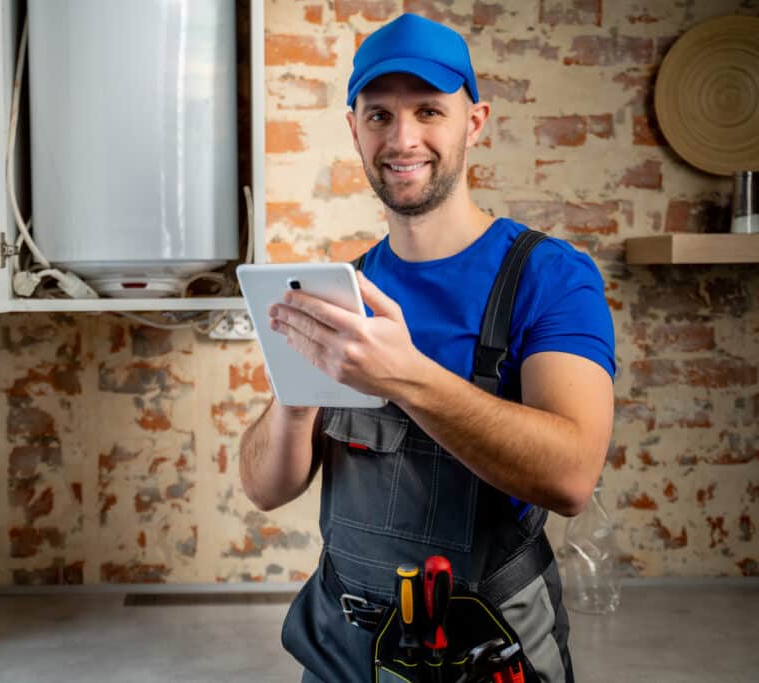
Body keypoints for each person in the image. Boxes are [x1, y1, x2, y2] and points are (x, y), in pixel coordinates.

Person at [239, 13, 615, 683]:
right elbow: (265, 486)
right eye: (379, 115)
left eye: (429, 110)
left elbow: (571, 475)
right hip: (342, 654)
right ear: (353, 128)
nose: (403, 138)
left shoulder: (549, 276)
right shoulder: (342, 291)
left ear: (474, 122)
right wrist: (295, 403)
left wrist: (405, 375)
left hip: (486, 652)